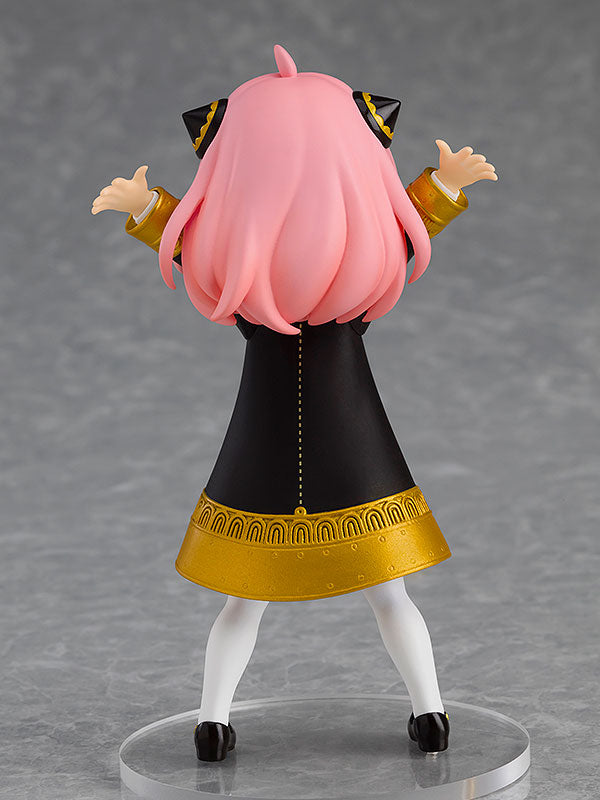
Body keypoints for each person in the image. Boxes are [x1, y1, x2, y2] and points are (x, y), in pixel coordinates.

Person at [92, 44, 497, 761]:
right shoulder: (348, 269)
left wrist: (149, 209)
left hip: (267, 451)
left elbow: (195, 247)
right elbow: (403, 232)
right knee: (384, 595)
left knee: (251, 599)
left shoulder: (248, 274)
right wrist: (442, 186)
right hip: (353, 451)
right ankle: (425, 713)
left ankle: (216, 725)